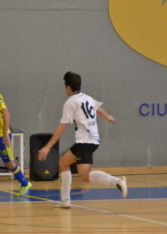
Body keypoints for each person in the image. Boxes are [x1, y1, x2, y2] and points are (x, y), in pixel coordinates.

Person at [38, 71, 128, 208]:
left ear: (68, 87)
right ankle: (65, 200)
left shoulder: (70, 102)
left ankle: (117, 181)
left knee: (84, 176)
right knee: (63, 163)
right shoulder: (87, 98)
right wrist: (107, 116)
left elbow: (62, 128)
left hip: (86, 141)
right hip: (89, 140)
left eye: (65, 86)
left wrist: (47, 147)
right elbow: (98, 109)